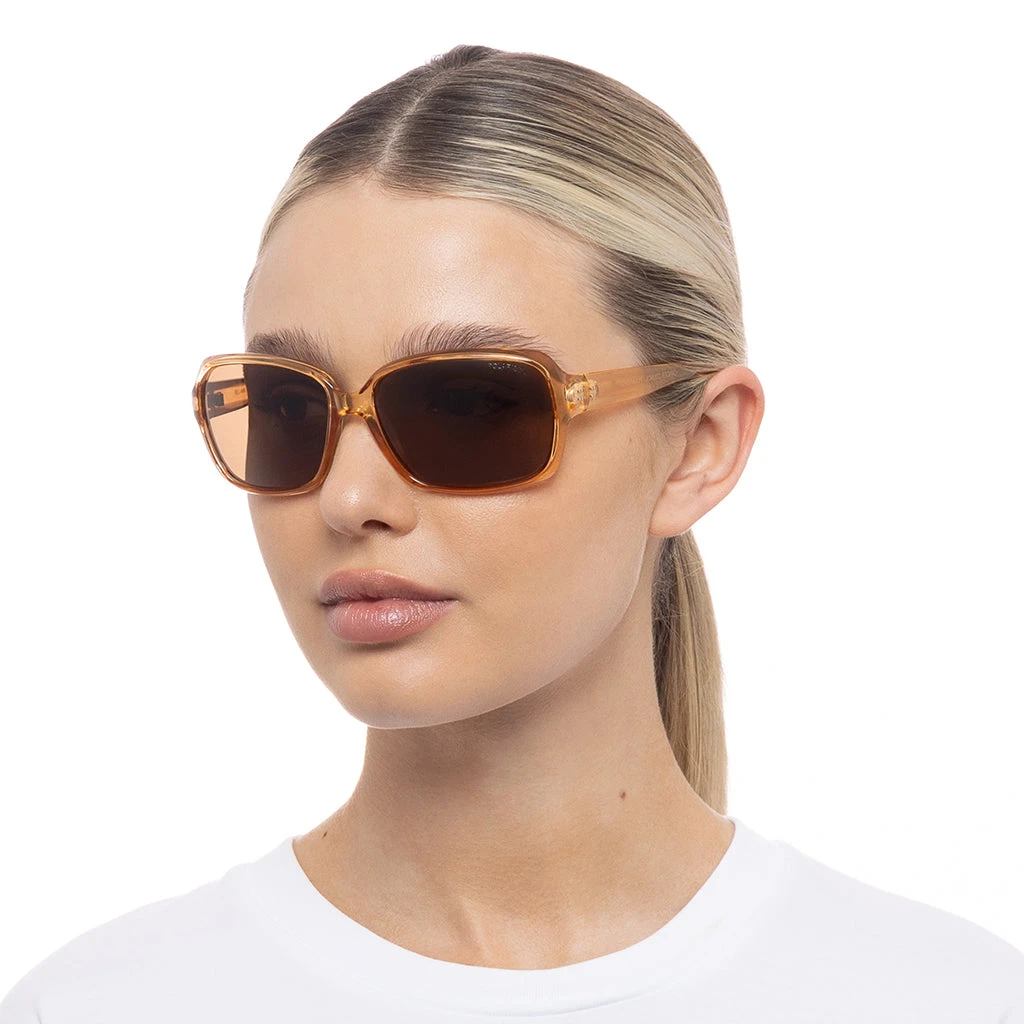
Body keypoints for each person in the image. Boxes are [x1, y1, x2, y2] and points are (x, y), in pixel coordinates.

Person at [2, 43, 1021, 1024]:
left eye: (469, 404)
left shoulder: (949, 1003)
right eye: (287, 408)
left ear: (699, 447)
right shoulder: (99, 1007)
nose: (349, 498)